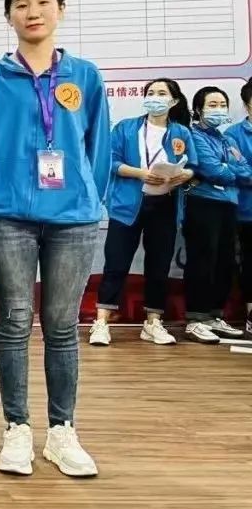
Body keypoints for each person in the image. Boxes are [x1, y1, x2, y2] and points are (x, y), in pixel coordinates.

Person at [0, 0, 109, 478]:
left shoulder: (85, 76)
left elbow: (98, 149)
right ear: (9, 16)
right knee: (13, 320)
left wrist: (87, 198)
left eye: (43, 1)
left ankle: (62, 430)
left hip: (73, 219)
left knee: (62, 324)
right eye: (22, 4)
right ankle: (17, 428)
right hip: (7, 218)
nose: (33, 12)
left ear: (60, 9)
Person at [89, 79, 195, 347]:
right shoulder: (126, 127)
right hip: (127, 205)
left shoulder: (181, 132)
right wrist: (141, 173)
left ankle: (153, 322)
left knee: (159, 266)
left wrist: (182, 175)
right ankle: (101, 322)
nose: (155, 97)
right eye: (151, 92)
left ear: (173, 101)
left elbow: (193, 166)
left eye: (161, 93)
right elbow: (110, 161)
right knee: (116, 263)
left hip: (165, 205)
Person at [183, 86, 250, 343]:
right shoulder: (194, 136)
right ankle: (196, 319)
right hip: (203, 203)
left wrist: (228, 169)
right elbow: (213, 170)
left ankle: (214, 315)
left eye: (222, 105)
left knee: (225, 261)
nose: (218, 109)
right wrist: (229, 170)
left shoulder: (226, 139)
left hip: (229, 204)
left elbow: (244, 170)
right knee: (203, 259)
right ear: (198, 109)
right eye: (212, 105)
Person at [226, 77, 252, 338]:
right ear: (247, 104)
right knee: (250, 262)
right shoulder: (233, 135)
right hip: (247, 211)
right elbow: (239, 171)